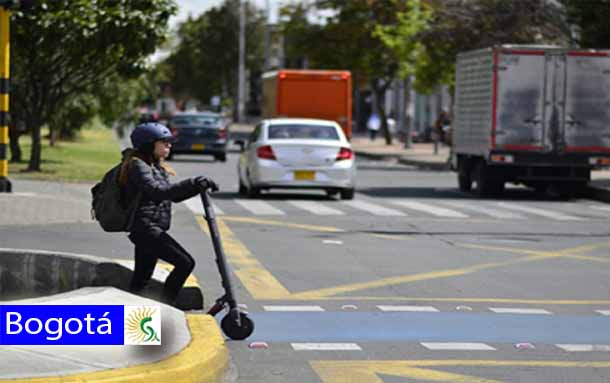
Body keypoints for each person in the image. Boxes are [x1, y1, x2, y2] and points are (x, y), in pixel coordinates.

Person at [118, 122, 219, 307]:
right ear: (149, 144)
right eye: (164, 142)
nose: (169, 146)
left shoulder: (155, 166)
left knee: (141, 281)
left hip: (147, 229)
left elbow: (171, 195)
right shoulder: (137, 166)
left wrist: (196, 187)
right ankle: (166, 307)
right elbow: (158, 191)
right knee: (185, 263)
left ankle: (130, 322)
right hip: (146, 229)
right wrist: (193, 183)